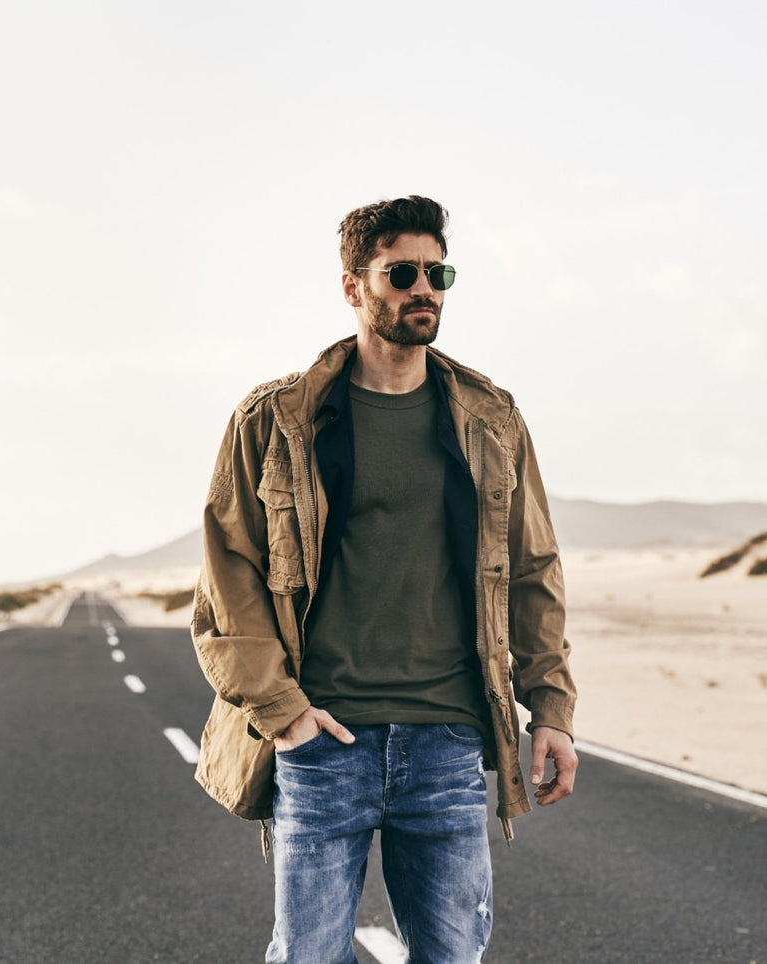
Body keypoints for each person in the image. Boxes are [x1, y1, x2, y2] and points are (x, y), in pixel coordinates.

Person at [191, 195, 578, 963]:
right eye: (401, 272)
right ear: (352, 286)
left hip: (446, 741)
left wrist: (553, 708)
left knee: (453, 957)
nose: (422, 288)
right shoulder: (275, 420)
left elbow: (532, 568)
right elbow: (227, 581)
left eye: (438, 273)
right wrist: (285, 713)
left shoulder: (490, 419)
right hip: (321, 739)